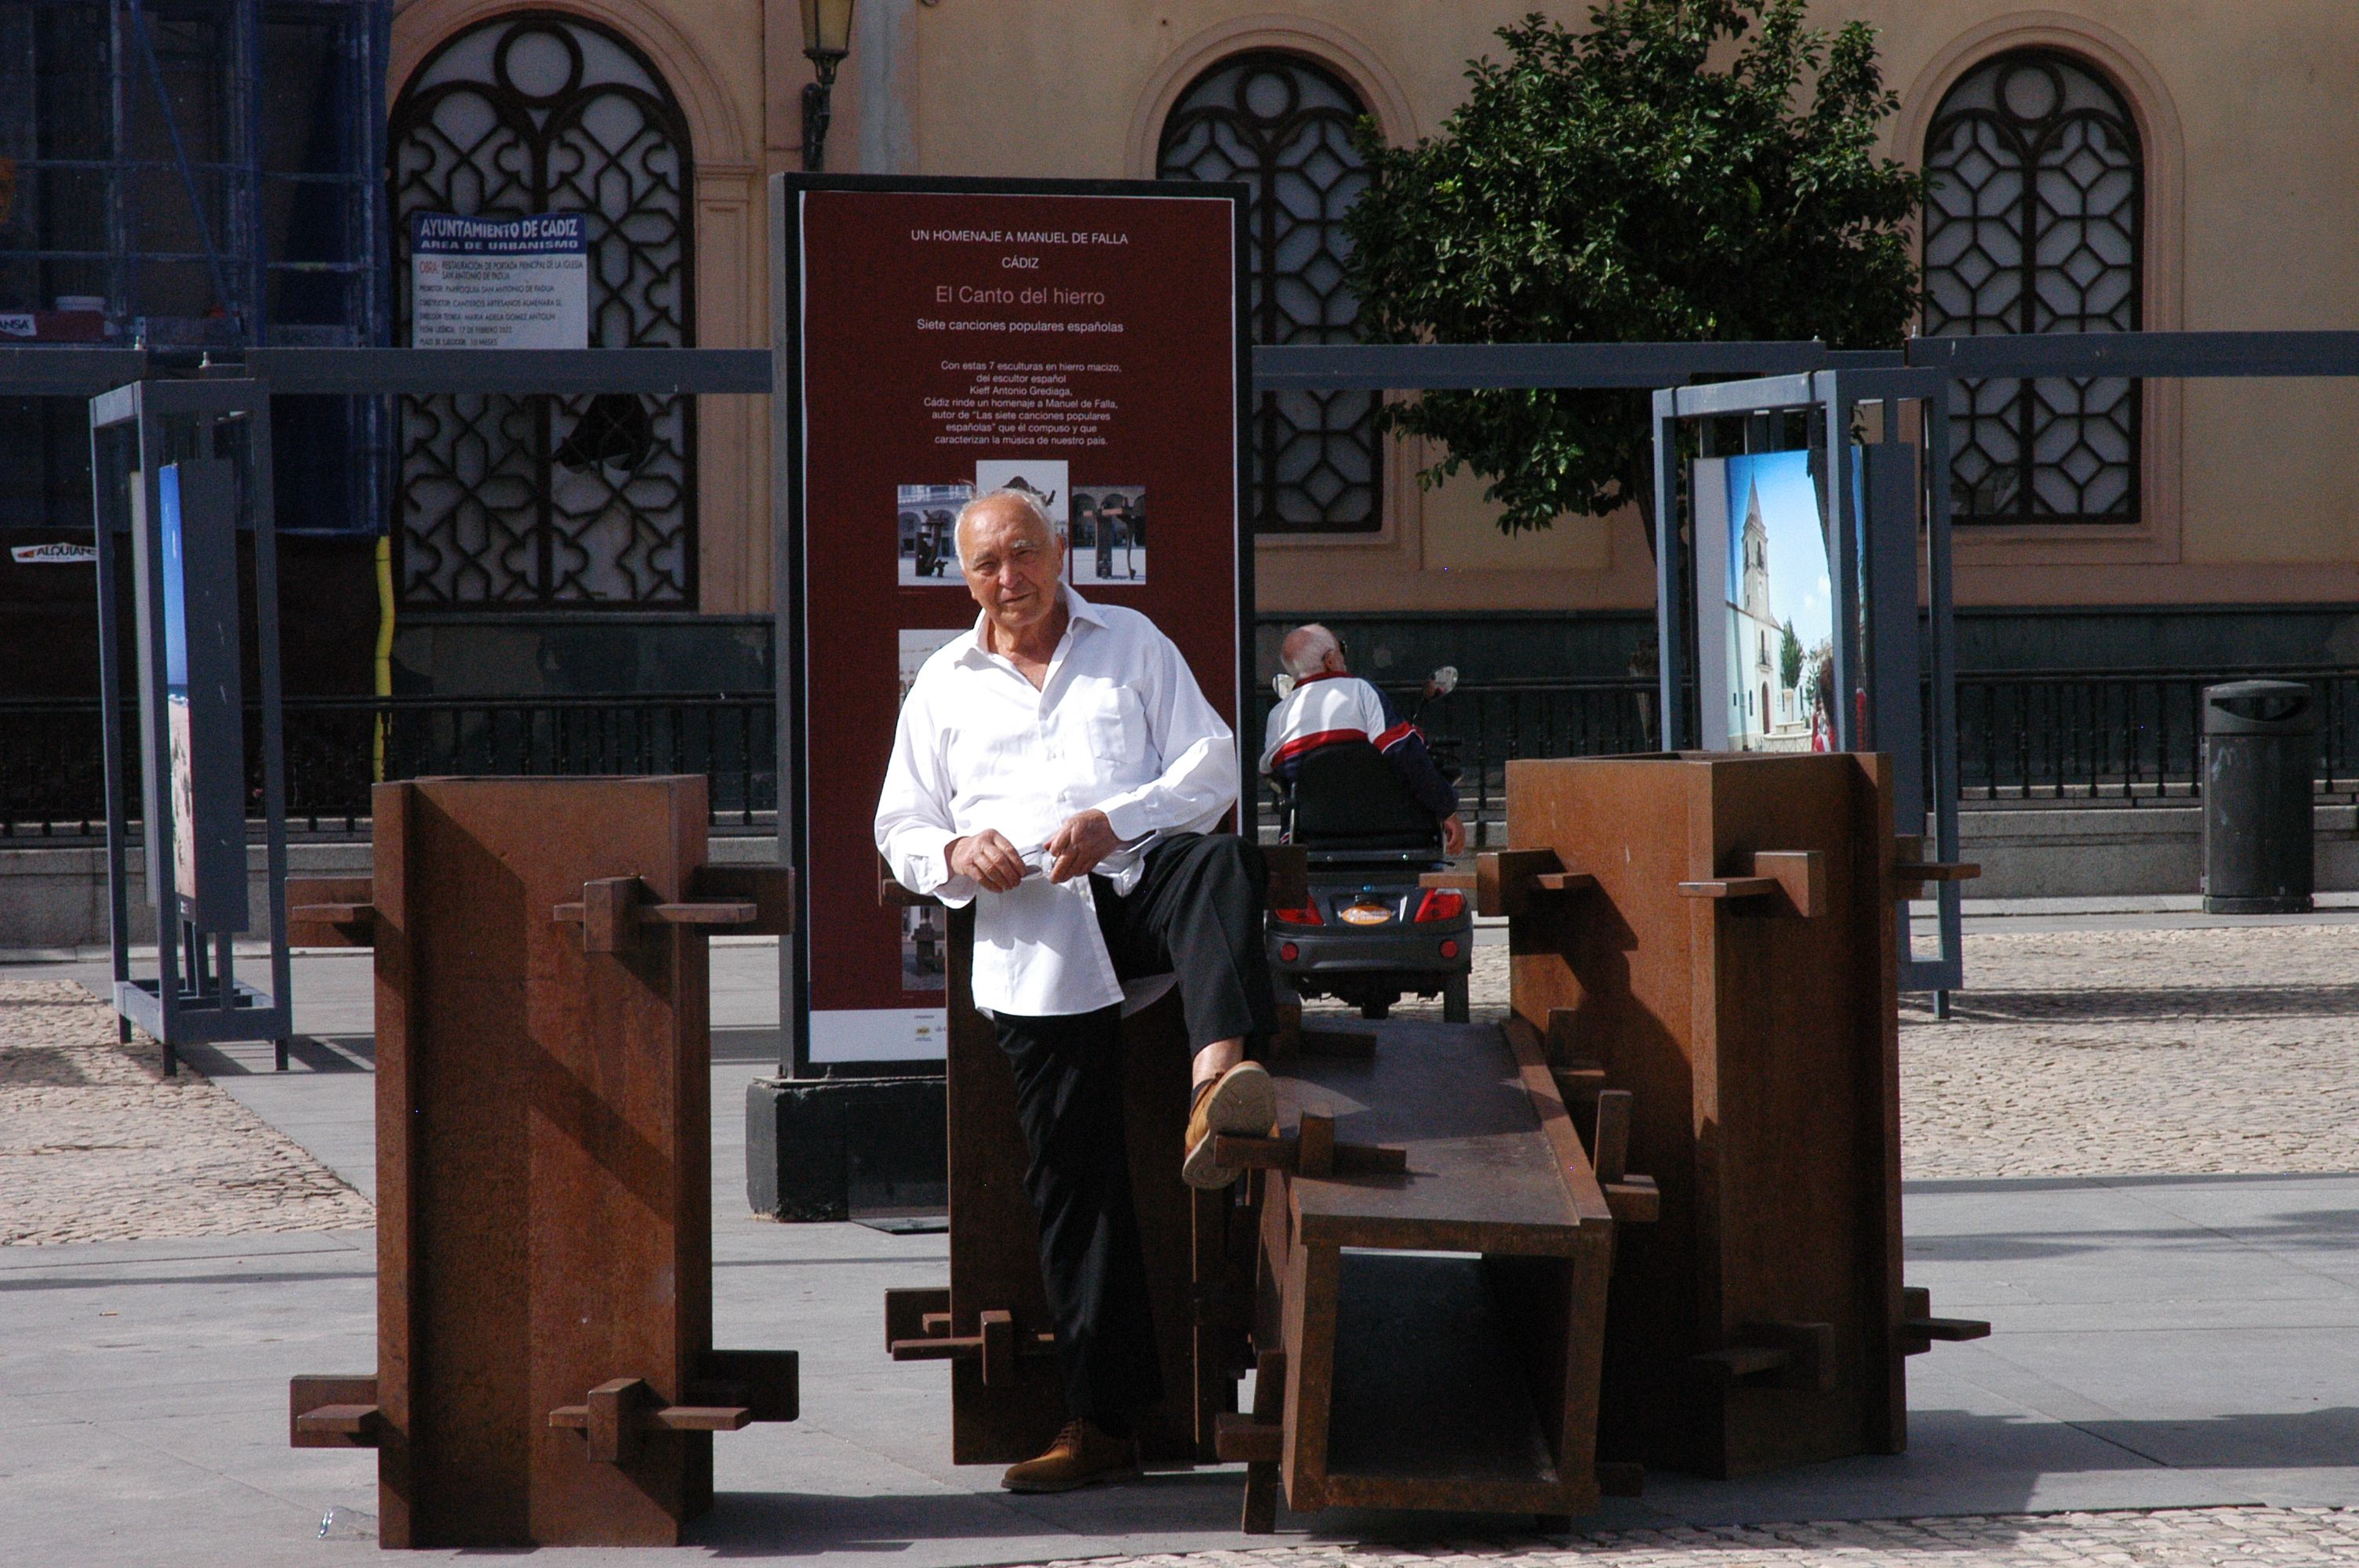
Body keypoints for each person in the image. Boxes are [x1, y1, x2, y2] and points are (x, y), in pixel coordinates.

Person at [874, 488, 1281, 1494]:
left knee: (1220, 865)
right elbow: (900, 826)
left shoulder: (1131, 640)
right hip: (1035, 943)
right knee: (1074, 1181)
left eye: (1023, 553)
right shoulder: (943, 683)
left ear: (1059, 549)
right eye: (985, 565)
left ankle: (1217, 1083)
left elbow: (1213, 758)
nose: (1008, 579)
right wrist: (958, 849)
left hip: (1137, 891)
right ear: (962, 576)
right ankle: (1102, 1422)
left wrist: (1120, 816)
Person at [1260, 623, 1466, 855]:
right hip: (1392, 835)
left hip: (1313, 840)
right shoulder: (1361, 692)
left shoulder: (1278, 715)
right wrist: (1447, 810)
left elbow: (1276, 777)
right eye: (1341, 649)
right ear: (1330, 660)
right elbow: (1405, 753)